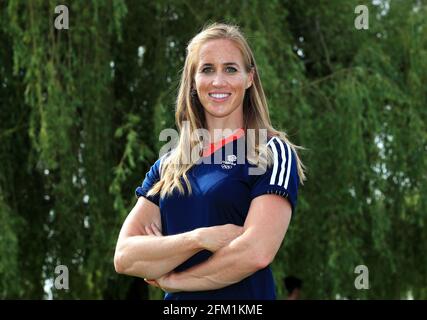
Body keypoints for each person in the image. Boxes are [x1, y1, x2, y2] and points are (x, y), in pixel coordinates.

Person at [114, 22, 306, 300]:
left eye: (230, 69)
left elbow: (255, 253)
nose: (218, 81)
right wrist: (198, 239)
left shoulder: (271, 152)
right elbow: (125, 257)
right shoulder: (168, 166)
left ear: (249, 78)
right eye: (207, 69)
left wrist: (175, 279)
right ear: (193, 81)